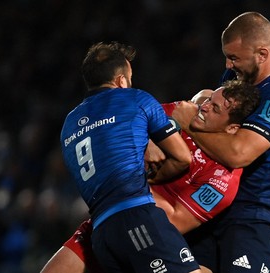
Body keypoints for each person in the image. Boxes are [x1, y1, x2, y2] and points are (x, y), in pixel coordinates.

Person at [42, 83, 270, 273]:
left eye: (215, 107)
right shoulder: (183, 112)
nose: (205, 105)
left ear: (233, 128)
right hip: (109, 218)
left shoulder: (223, 181)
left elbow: (171, 221)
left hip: (139, 229)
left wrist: (132, 178)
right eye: (210, 98)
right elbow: (122, 130)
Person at [172, 11, 270, 273]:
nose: (227, 65)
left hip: (256, 216)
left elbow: (238, 153)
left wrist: (190, 123)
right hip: (217, 204)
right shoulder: (238, 78)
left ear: (263, 54)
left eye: (234, 58)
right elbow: (212, 114)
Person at [59, 41, 201, 273]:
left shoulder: (69, 124)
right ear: (121, 81)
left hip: (102, 235)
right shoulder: (136, 99)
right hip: (136, 218)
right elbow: (182, 158)